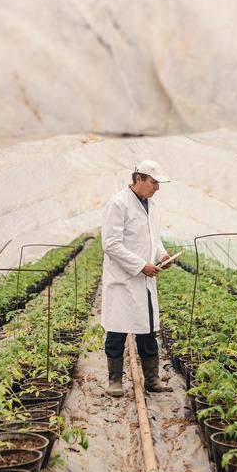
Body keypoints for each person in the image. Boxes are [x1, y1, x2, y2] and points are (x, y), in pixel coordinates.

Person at [101, 160, 175, 396]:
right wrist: (141, 265)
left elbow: (153, 237)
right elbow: (111, 244)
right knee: (117, 331)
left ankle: (152, 380)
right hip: (123, 281)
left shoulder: (151, 205)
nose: (157, 188)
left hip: (144, 281)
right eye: (154, 182)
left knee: (147, 331)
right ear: (138, 179)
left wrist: (162, 254)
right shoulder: (118, 204)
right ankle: (115, 381)